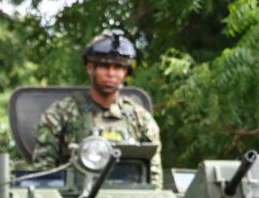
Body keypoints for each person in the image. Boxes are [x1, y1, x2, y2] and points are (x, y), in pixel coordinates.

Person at [35, 31, 163, 180]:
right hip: (76, 193)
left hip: (128, 193)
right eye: (104, 66)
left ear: (125, 72)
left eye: (118, 67)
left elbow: (154, 177)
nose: (111, 73)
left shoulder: (140, 118)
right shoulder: (61, 113)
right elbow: (43, 175)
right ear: (90, 68)